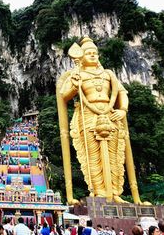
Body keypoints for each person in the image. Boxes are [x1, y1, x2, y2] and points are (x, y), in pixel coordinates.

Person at [57, 36, 143, 204]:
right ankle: (99, 192)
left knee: (114, 155)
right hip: (88, 115)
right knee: (92, 155)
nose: (93, 55)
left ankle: (116, 192)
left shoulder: (108, 74)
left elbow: (122, 93)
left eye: (95, 53)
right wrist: (75, 84)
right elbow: (64, 95)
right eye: (88, 53)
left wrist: (123, 110)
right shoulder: (77, 73)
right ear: (81, 57)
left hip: (110, 113)